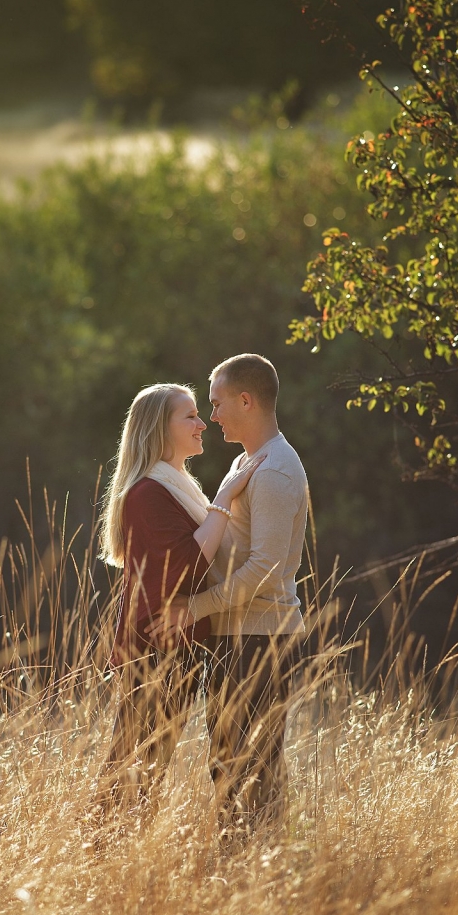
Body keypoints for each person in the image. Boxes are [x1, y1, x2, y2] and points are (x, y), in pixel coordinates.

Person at [146, 354, 309, 834]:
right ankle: (242, 865)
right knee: (228, 764)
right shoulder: (246, 462)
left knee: (249, 768)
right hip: (235, 635)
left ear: (246, 400)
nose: (212, 416)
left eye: (217, 404)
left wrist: (195, 607)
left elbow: (265, 570)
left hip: (259, 639)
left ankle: (257, 865)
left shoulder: (275, 471)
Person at [97, 382, 263, 807]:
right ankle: (100, 843)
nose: (202, 424)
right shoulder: (148, 494)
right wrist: (225, 497)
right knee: (133, 770)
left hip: (176, 646)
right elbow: (190, 563)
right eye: (189, 416)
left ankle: (116, 843)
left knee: (145, 769)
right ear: (159, 428)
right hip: (155, 648)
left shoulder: (175, 486)